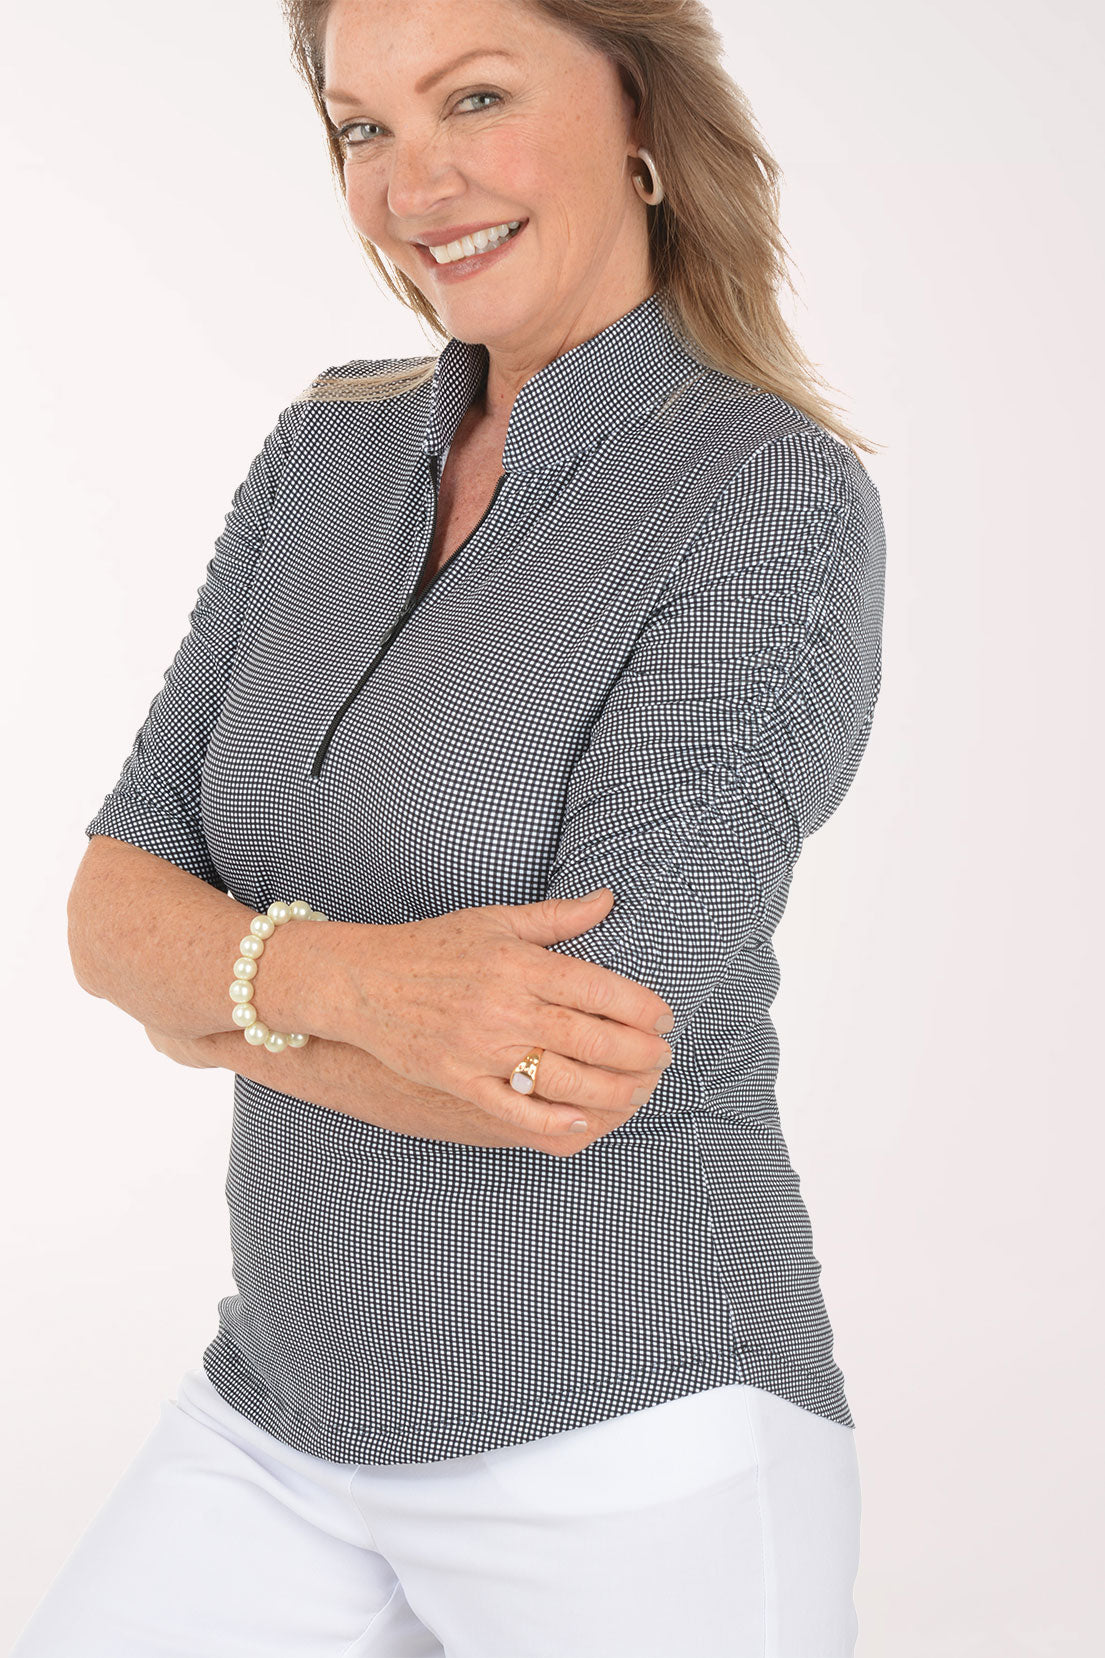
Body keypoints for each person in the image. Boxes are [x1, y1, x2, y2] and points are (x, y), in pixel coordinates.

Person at [19, 1, 886, 1653]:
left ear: (639, 109)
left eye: (472, 98)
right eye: (362, 127)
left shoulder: (764, 493)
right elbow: (103, 903)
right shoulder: (322, 452)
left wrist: (207, 999)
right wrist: (345, 988)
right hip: (275, 1415)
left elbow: (557, 1067)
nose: (415, 182)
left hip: (630, 1437)